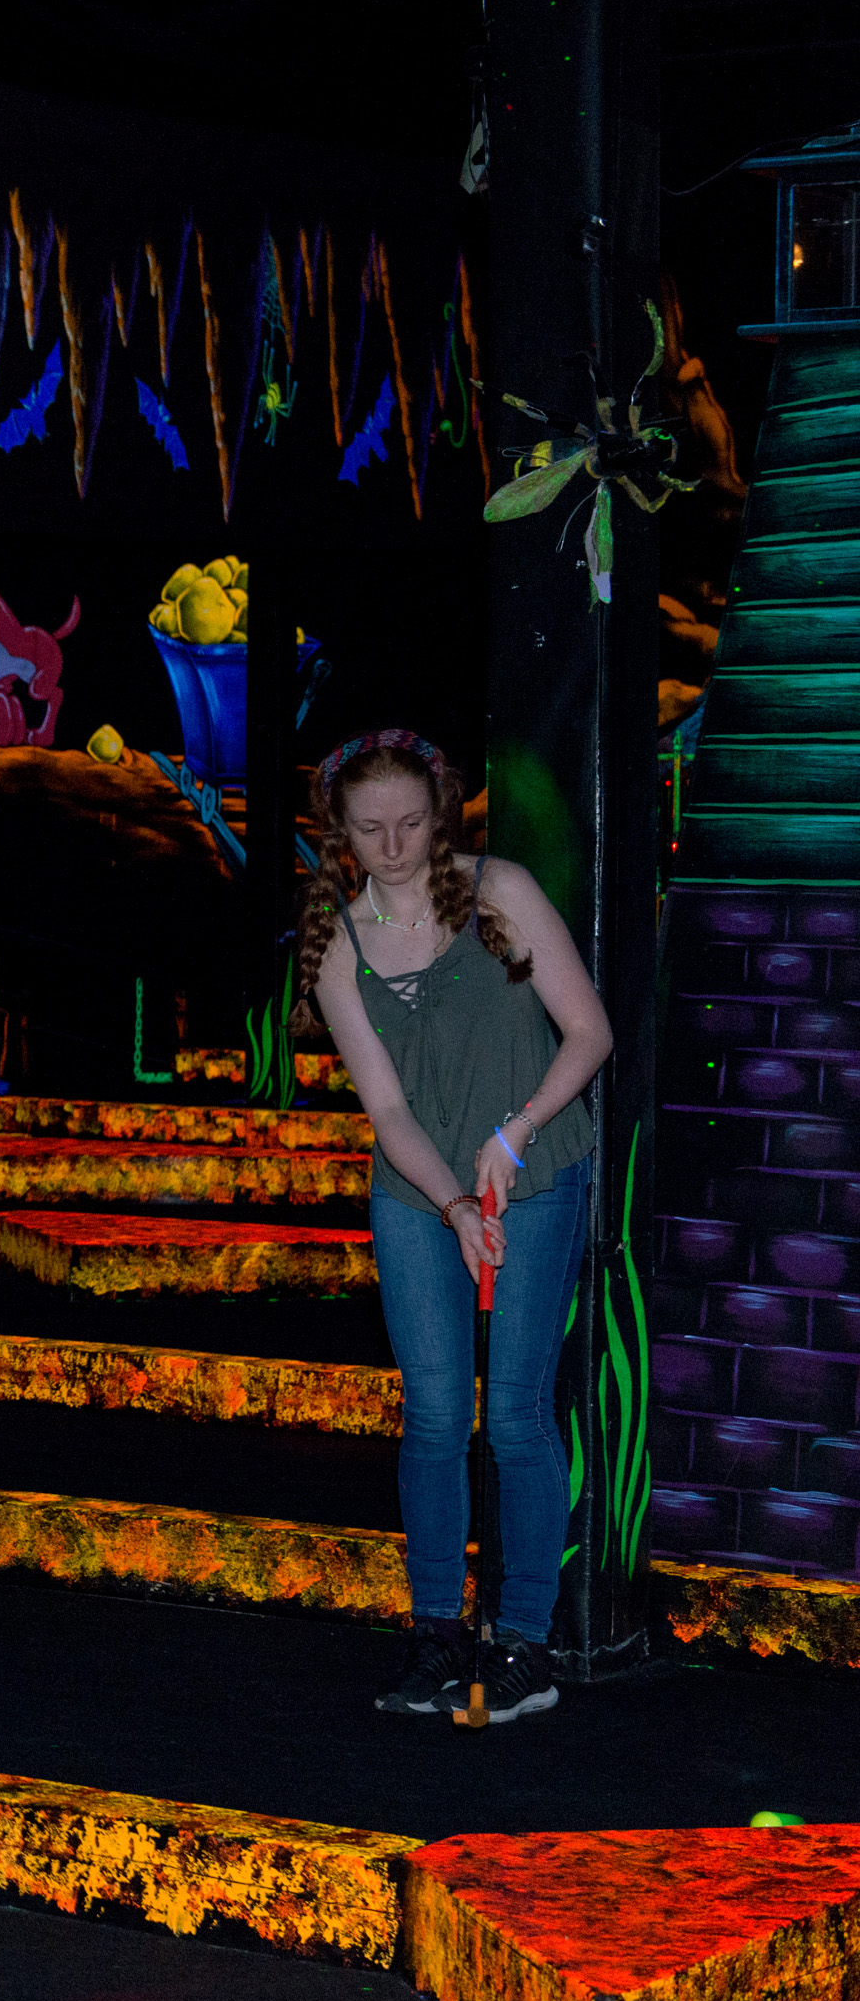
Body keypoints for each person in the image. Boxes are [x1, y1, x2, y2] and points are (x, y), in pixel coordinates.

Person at [299, 728, 609, 1722]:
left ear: (441, 816)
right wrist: (452, 1205)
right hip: (418, 1192)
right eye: (370, 829)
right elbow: (389, 1113)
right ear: (342, 833)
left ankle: (525, 1642)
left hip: (536, 1172)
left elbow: (589, 1033)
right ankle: (437, 1633)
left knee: (513, 1412)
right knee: (434, 1415)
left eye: (411, 824)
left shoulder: (498, 894)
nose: (393, 847)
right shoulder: (338, 951)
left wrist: (514, 1136)